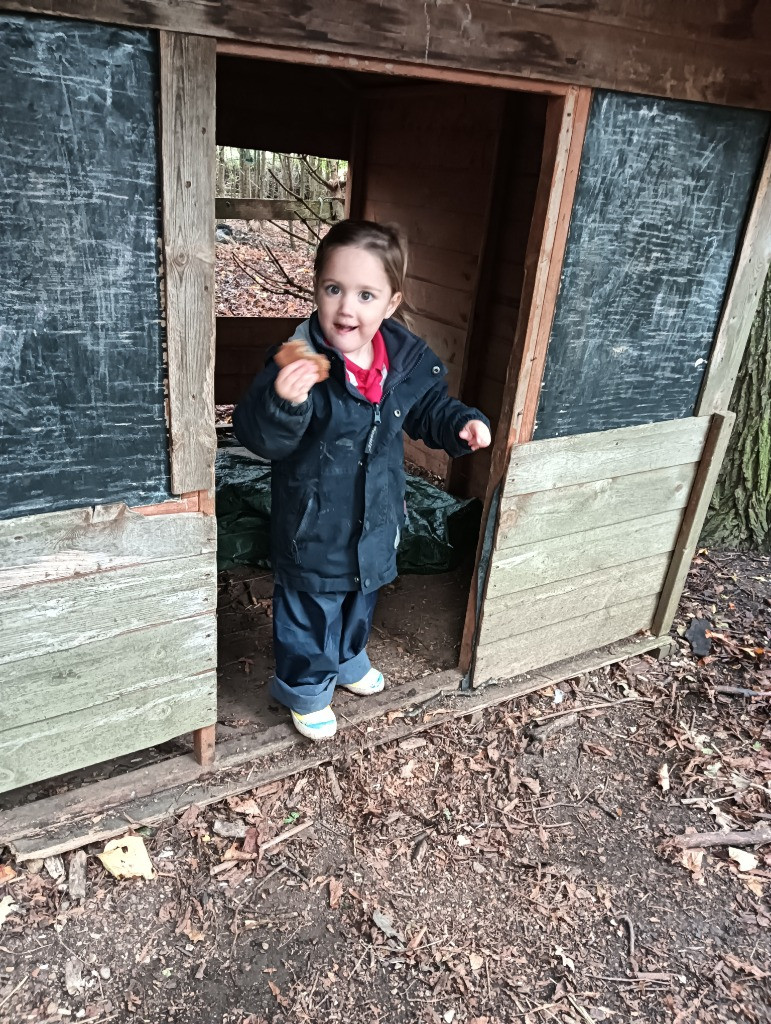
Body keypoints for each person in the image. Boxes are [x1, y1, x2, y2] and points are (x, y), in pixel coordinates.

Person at [233, 220, 491, 740]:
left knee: (361, 592)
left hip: (375, 511)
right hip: (313, 518)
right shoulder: (299, 356)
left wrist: (459, 423)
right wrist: (285, 402)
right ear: (316, 290)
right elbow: (261, 435)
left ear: (391, 303)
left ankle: (348, 656)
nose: (346, 308)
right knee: (311, 605)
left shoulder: (402, 360)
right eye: (334, 289)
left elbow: (427, 408)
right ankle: (305, 687)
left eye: (365, 294)